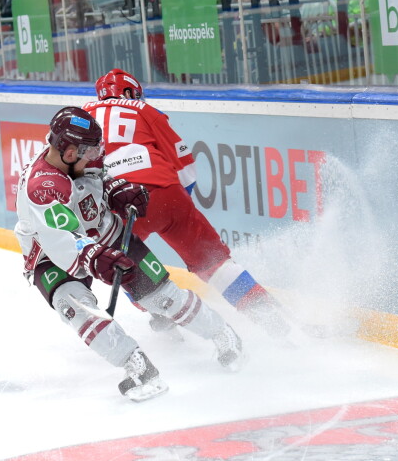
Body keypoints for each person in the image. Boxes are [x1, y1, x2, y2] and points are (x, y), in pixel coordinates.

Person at [14, 106, 244, 402]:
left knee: (160, 296)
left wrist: (117, 190)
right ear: (69, 152)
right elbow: (62, 240)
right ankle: (136, 365)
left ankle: (222, 333)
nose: (95, 155)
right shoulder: (42, 187)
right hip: (49, 253)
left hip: (105, 231)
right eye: (88, 152)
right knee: (74, 306)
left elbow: (102, 178)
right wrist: (95, 258)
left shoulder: (80, 155)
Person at [83, 69, 291, 339]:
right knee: (215, 264)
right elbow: (186, 167)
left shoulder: (80, 117)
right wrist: (179, 208)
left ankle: (161, 314)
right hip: (166, 192)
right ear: (129, 92)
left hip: (115, 205)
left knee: (124, 264)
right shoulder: (145, 110)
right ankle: (270, 319)